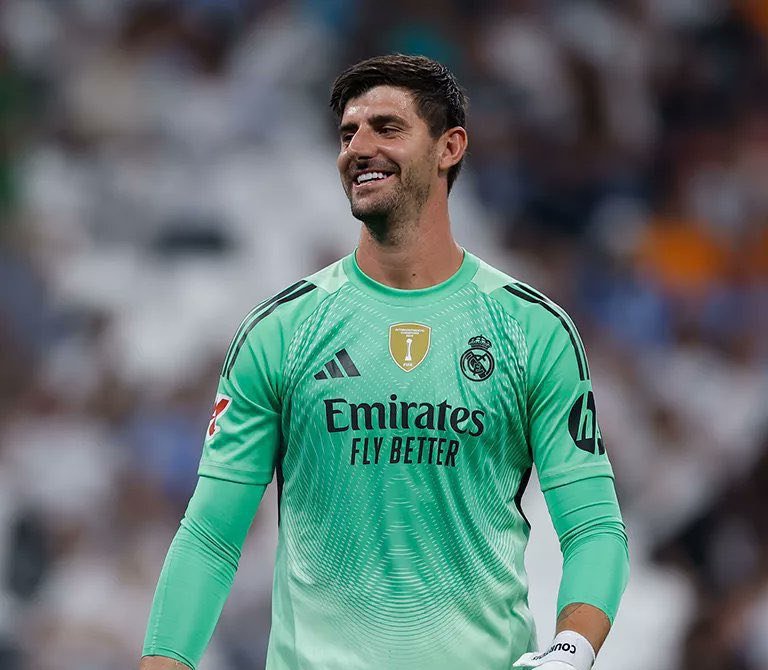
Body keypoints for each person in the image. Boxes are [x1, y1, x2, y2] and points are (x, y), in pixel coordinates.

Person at [140, 54, 629, 670]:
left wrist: (570, 651)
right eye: (348, 134)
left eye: (386, 128)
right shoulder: (280, 331)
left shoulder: (533, 331)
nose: (358, 148)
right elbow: (211, 537)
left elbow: (594, 528)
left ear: (449, 147)